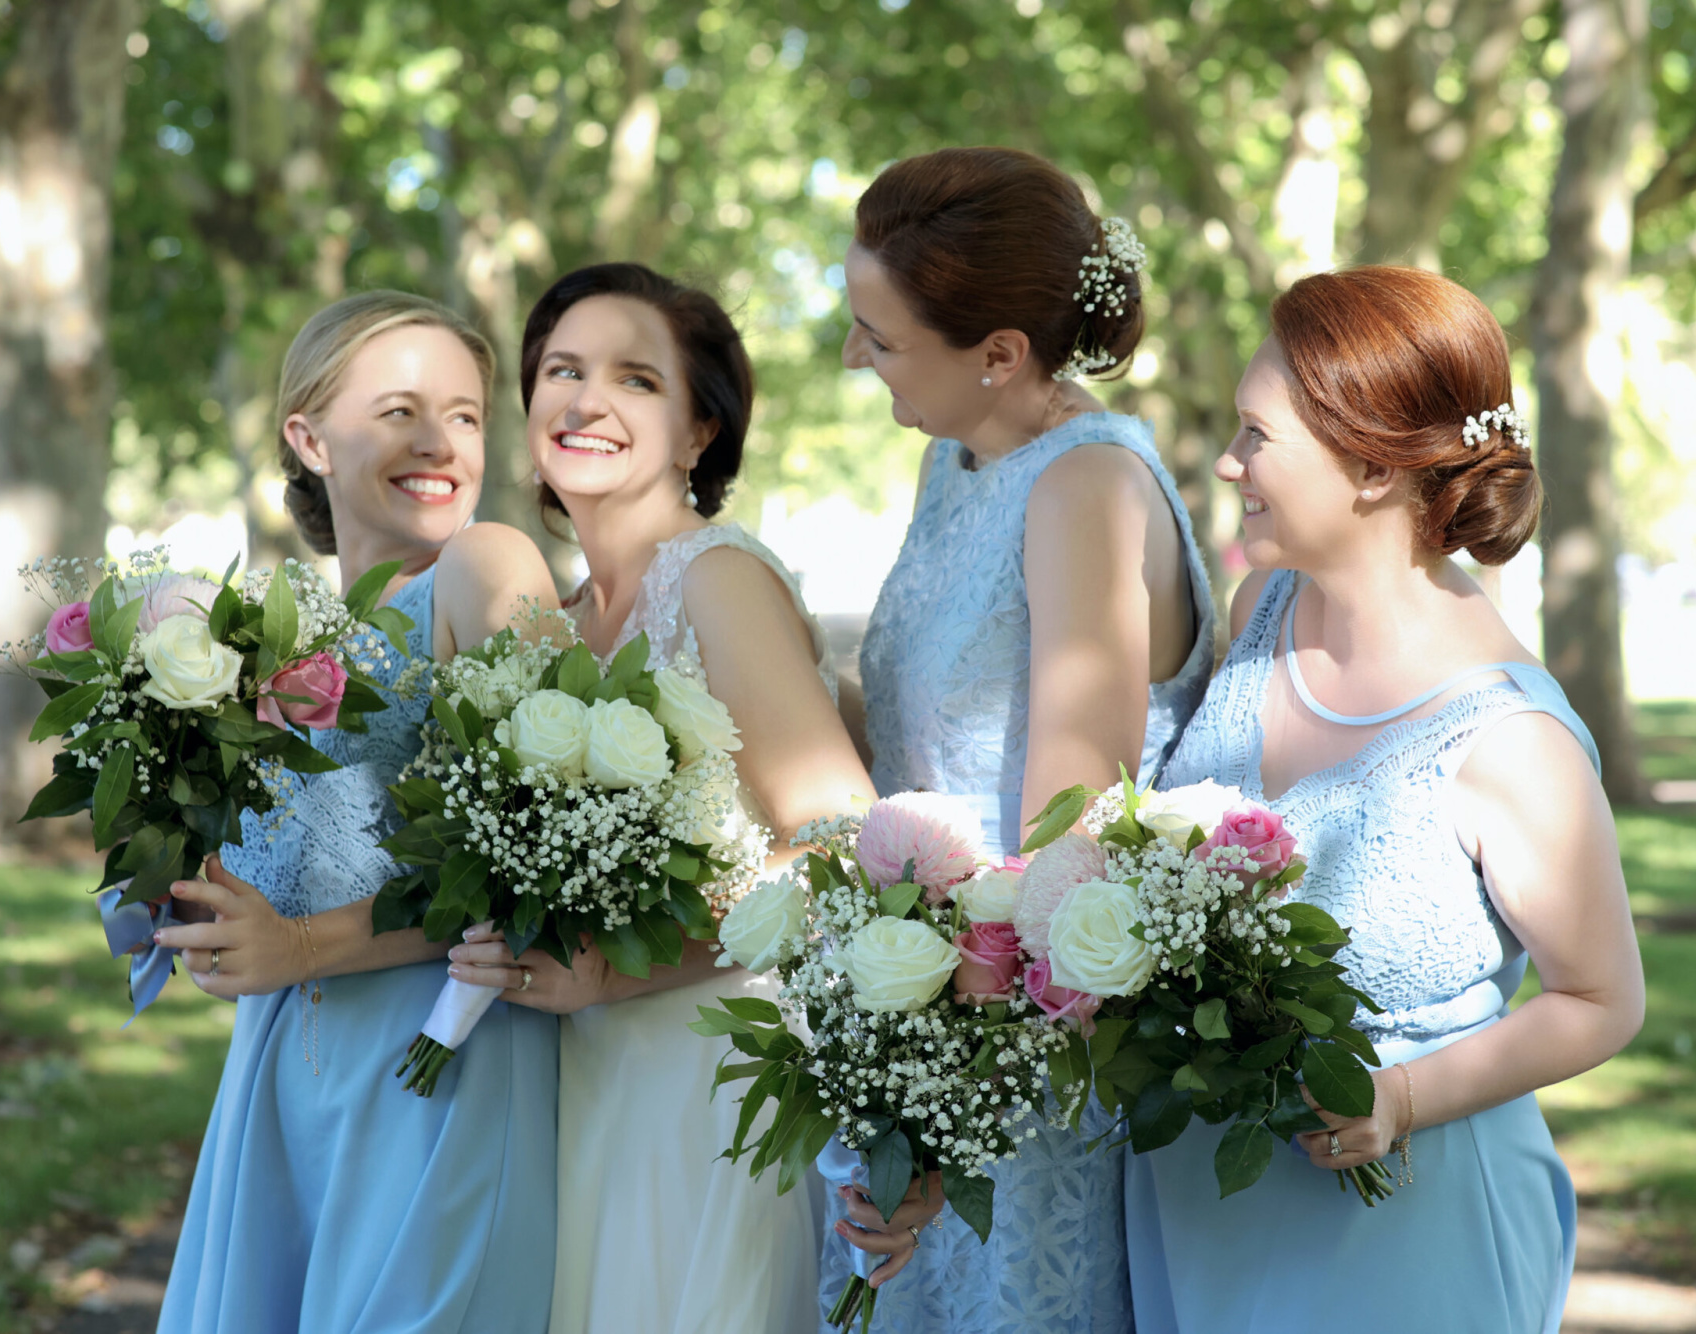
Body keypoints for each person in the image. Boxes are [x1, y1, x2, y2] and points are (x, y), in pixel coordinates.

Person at [1124, 266, 1646, 1334]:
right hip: (1200, 1215)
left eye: (1256, 436)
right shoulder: (1261, 603)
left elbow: (1601, 999)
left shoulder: (1512, 739)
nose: (1229, 464)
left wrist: (1399, 1098)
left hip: (1400, 1231)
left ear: (1368, 465)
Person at [820, 145, 1215, 1334]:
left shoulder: (1085, 484)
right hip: (916, 1000)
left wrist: (930, 1126)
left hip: (1025, 1057)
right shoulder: (958, 457)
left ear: (998, 354)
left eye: (879, 338)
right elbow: (916, 730)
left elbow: (1067, 834)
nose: (852, 356)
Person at [447, 262, 877, 1334]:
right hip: (577, 1070)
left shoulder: (714, 577)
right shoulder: (561, 613)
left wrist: (621, 965)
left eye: (635, 379)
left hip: (705, 1066)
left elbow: (842, 845)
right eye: (562, 370)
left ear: (697, 431)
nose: (585, 401)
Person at [152, 292, 564, 1334]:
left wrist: (296, 943)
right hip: (283, 1078)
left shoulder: (484, 568)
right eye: (398, 411)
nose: (440, 443)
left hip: (438, 1073)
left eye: (466, 415)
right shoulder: (277, 638)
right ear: (308, 436)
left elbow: (545, 865)